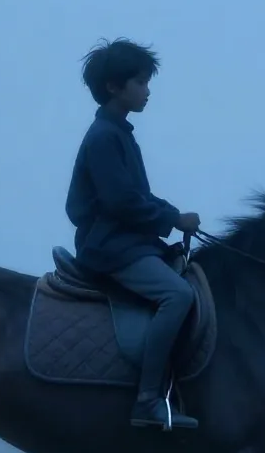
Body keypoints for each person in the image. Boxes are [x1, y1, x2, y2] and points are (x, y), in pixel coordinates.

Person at [65, 38, 202, 430]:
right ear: (114, 86)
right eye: (140, 82)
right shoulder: (104, 138)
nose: (147, 91)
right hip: (110, 247)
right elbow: (121, 202)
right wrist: (173, 219)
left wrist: (173, 214)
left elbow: (137, 196)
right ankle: (147, 400)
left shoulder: (119, 133)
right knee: (178, 295)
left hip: (127, 241)